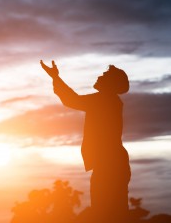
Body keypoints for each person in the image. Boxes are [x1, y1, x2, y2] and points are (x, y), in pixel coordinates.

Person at [40, 60, 131, 223]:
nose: (99, 76)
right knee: (111, 212)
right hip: (111, 163)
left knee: (108, 213)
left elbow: (71, 100)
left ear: (110, 83)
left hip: (109, 164)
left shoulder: (104, 100)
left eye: (104, 75)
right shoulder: (109, 100)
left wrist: (55, 77)